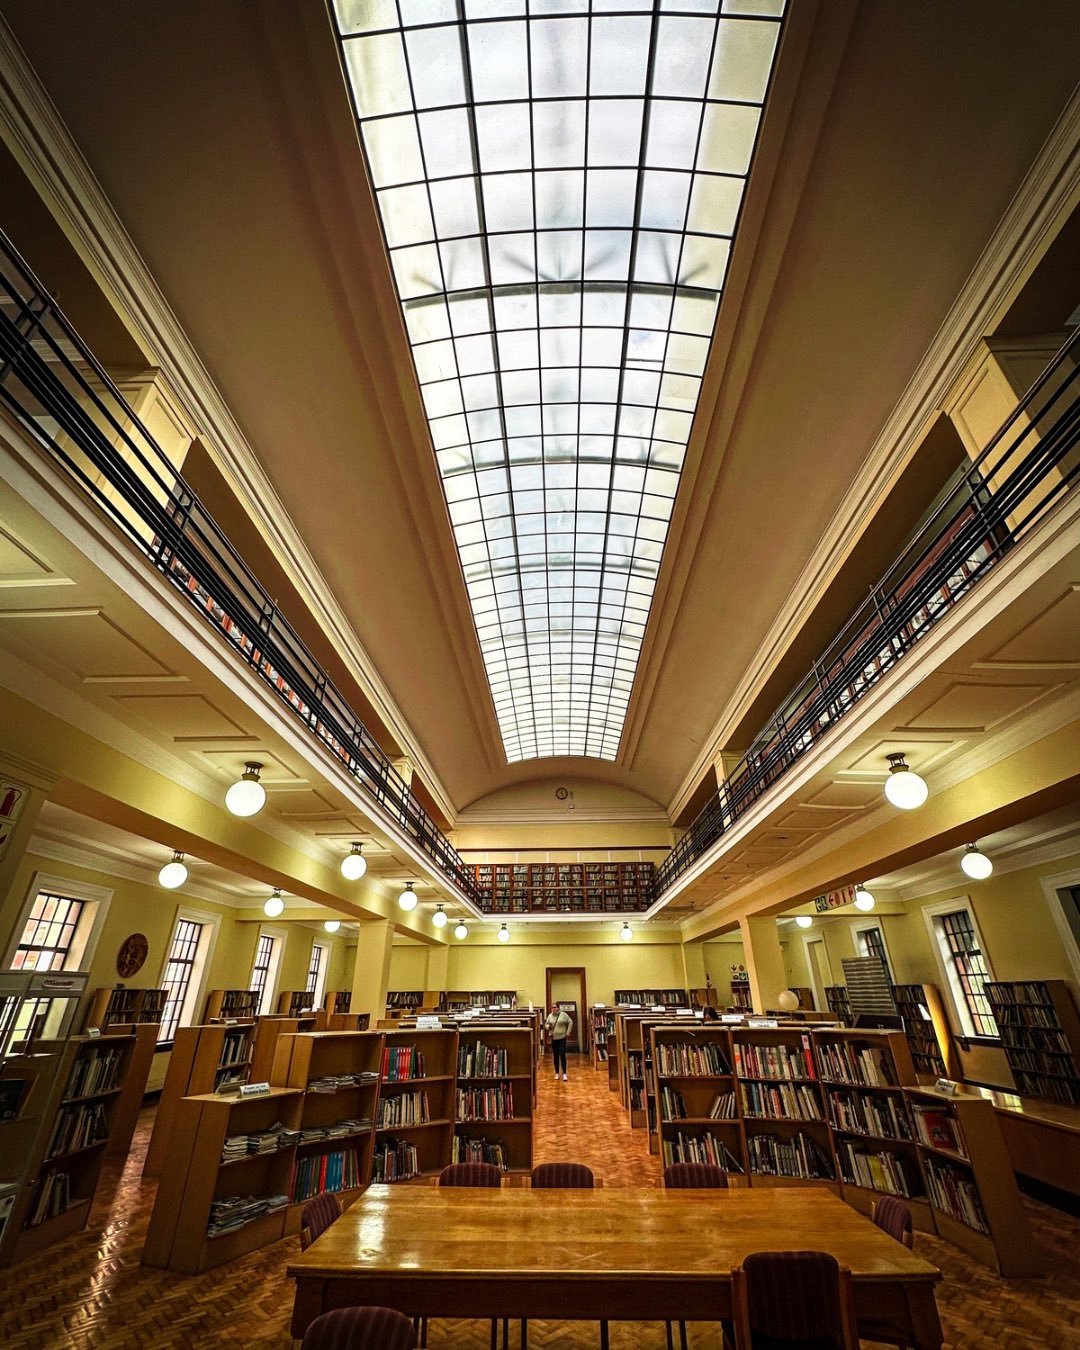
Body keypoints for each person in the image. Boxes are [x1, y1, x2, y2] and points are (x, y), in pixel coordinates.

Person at [545, 1003, 573, 1080]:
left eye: (555, 1007)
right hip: (554, 1038)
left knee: (562, 1054)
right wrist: (548, 1027)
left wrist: (568, 1033)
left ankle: (564, 1073)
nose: (553, 1009)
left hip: (562, 1038)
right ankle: (557, 1073)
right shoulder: (550, 1016)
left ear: (558, 1008)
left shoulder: (563, 1015)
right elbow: (546, 1025)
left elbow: (570, 1022)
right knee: (555, 1056)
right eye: (552, 1007)